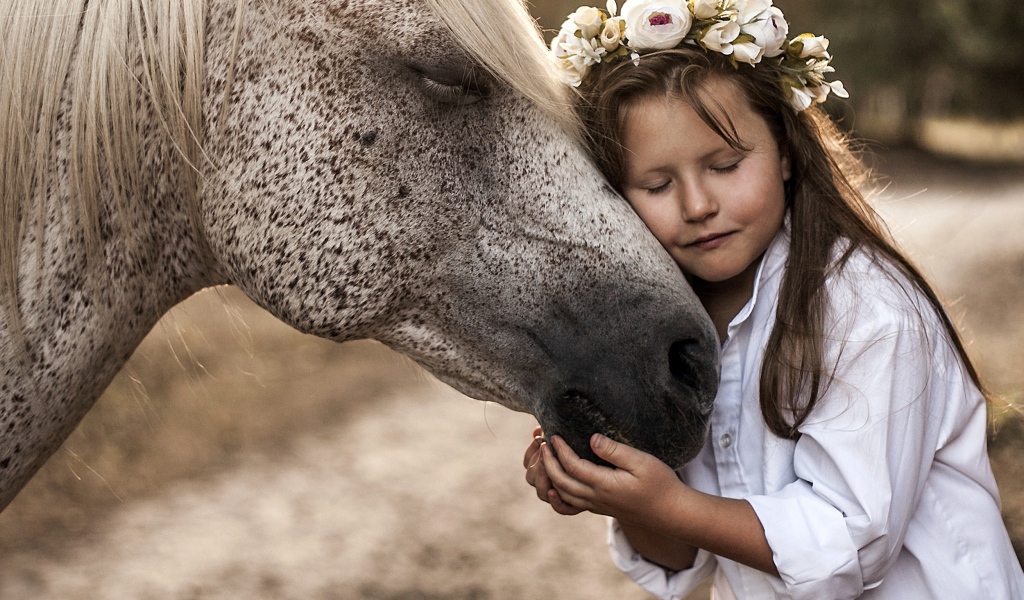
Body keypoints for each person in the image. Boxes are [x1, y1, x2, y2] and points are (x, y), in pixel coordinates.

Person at [523, 1, 1024, 598]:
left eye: (726, 165)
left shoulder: (868, 310)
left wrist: (673, 504)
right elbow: (681, 554)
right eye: (657, 184)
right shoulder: (673, 332)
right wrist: (617, 490)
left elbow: (850, 542)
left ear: (786, 150)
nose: (697, 204)